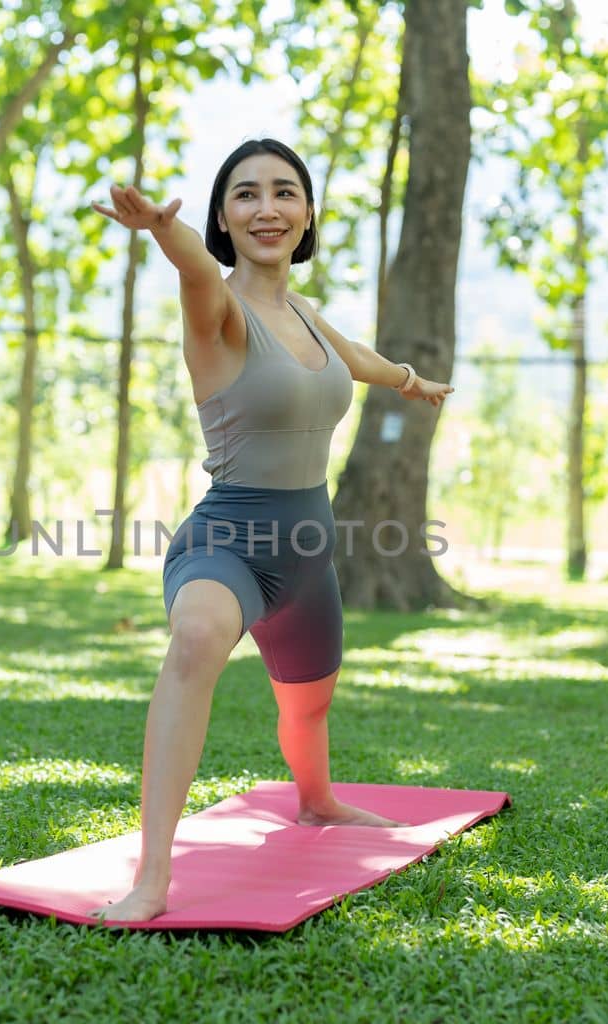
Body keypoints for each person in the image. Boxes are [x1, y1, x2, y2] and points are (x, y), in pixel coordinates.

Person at [87, 138, 454, 923]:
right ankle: (153, 875)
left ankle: (317, 801)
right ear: (222, 216)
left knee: (309, 707)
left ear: (306, 213)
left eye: (284, 192)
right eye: (246, 194)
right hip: (228, 545)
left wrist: (409, 381)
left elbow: (353, 358)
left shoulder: (305, 315)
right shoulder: (215, 307)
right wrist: (159, 227)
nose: (267, 207)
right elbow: (191, 267)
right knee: (195, 642)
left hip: (309, 558)